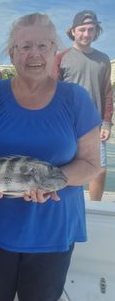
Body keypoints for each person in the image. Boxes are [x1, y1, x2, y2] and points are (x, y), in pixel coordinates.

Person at [0, 13, 101, 301]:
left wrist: (55, 179)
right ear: (12, 53)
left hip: (53, 228)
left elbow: (91, 164)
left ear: (55, 50)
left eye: (43, 45)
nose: (34, 54)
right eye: (25, 47)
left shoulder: (76, 99)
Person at [57, 10, 113, 201]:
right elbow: (51, 92)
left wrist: (107, 123)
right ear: (73, 31)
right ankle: (66, 204)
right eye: (82, 29)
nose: (86, 34)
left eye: (91, 30)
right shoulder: (61, 57)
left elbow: (107, 92)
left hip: (95, 126)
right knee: (66, 168)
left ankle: (94, 205)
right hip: (67, 125)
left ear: (96, 32)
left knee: (99, 169)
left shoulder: (104, 59)